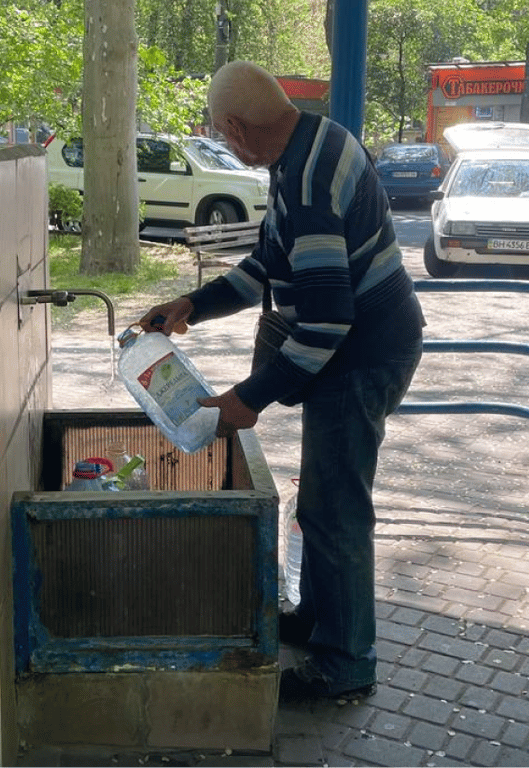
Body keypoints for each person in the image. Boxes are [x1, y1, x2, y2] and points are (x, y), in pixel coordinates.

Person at [137, 61, 426, 703]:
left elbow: (326, 322)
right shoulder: (305, 145)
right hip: (350, 349)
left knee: (337, 511)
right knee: (324, 502)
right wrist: (195, 302)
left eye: (219, 130)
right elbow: (270, 259)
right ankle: (319, 619)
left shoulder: (311, 181)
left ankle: (346, 664)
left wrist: (249, 398)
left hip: (360, 357)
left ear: (236, 128)